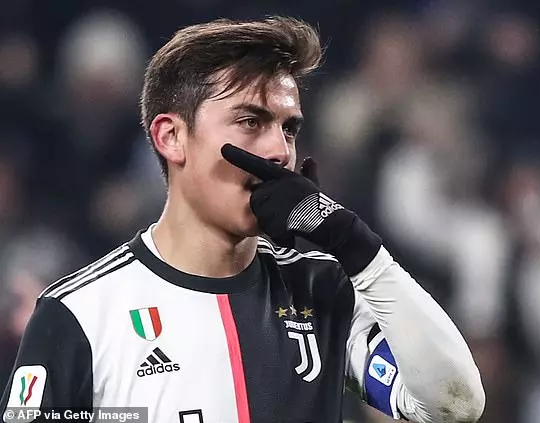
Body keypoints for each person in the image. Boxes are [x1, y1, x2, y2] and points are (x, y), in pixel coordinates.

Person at [0, 17, 485, 423]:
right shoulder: (80, 314)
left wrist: (355, 245)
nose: (279, 152)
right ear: (171, 137)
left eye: (289, 129)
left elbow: (454, 405)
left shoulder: (320, 291)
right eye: (251, 122)